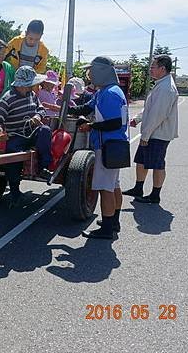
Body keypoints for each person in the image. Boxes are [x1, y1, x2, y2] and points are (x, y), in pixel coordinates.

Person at [69, 56, 128, 239]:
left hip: (107, 146)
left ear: (101, 71)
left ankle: (106, 230)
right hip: (114, 146)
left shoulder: (110, 93)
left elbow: (114, 123)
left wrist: (91, 126)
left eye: (91, 71)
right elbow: (86, 108)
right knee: (114, 185)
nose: (89, 74)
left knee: (105, 188)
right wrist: (63, 107)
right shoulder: (105, 91)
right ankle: (113, 221)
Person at [123, 54, 179, 204]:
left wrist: (145, 136)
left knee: (157, 164)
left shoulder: (166, 88)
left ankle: (155, 194)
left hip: (158, 134)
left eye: (153, 67)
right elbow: (150, 108)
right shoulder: (161, 84)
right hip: (152, 132)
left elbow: (158, 115)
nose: (150, 70)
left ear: (162, 68)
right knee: (142, 160)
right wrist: (137, 119)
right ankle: (138, 187)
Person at [0, 66, 52, 208]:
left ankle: (44, 167)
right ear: (24, 85)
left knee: (45, 130)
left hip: (32, 133)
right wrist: (0, 131)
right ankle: (15, 191)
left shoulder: (32, 95)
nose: (33, 86)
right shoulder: (8, 98)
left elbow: (41, 110)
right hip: (16, 136)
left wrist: (37, 116)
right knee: (13, 155)